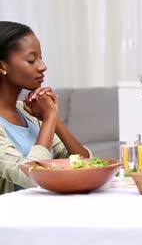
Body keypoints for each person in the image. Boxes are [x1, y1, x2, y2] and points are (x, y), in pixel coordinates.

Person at [0, 21, 90, 194]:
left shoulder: (29, 114)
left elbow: (84, 164)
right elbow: (29, 176)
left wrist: (53, 118)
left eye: (41, 58)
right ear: (2, 66)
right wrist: (49, 119)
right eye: (31, 60)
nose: (42, 66)